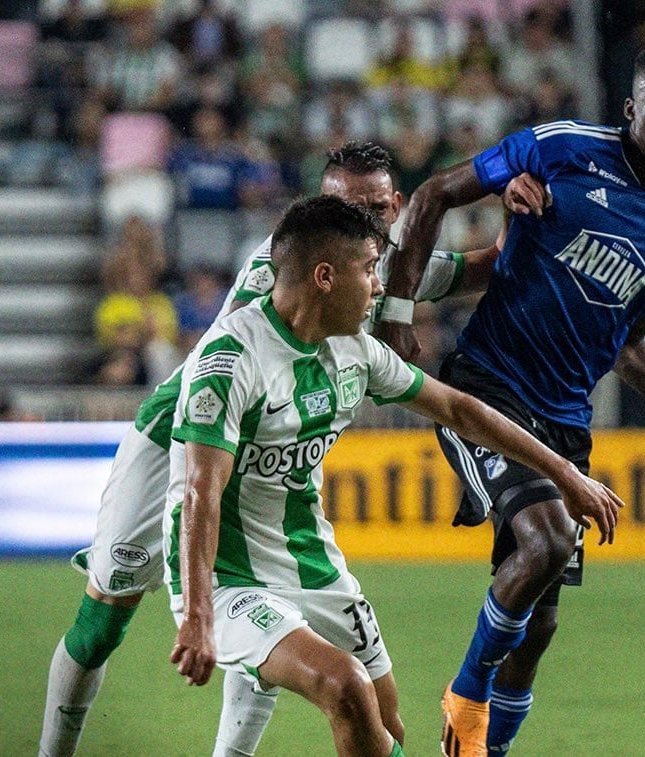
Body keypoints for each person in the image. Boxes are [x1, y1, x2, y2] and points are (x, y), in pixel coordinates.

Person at [39, 141, 544, 757]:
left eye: (370, 211)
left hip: (271, 458)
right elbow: (260, 363)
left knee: (278, 604)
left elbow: (488, 266)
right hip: (180, 443)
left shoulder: (385, 266)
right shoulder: (281, 278)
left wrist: (515, 215)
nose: (356, 222)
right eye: (337, 208)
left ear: (396, 207)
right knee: (103, 618)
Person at [376, 41, 645, 755]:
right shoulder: (563, 148)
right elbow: (434, 193)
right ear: (632, 107)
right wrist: (395, 308)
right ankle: (465, 692)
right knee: (548, 538)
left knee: (539, 627)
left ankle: (487, 749)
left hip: (567, 420)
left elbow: (627, 346)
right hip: (487, 387)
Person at [166, 195, 621, 757]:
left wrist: (565, 476)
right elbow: (199, 493)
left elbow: (462, 410)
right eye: (369, 270)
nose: (381, 288)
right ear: (325, 276)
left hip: (311, 560)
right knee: (346, 687)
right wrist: (198, 619)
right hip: (227, 576)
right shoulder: (230, 359)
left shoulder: (354, 351)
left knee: (388, 729)